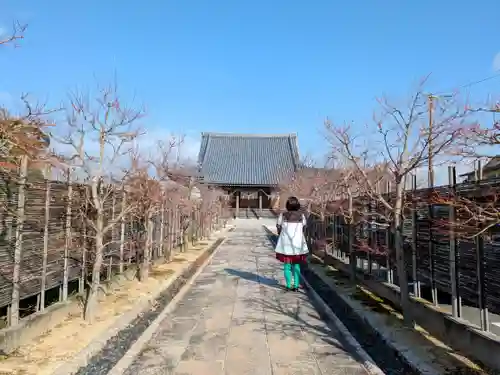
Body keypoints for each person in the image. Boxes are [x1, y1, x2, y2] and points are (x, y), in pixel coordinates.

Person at [275, 196, 309, 291]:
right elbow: (304, 227)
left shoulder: (283, 215)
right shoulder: (301, 216)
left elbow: (278, 226)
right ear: (297, 205)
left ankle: (289, 285)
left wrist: (280, 233)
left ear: (287, 205)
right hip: (298, 244)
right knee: (297, 265)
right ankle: (296, 285)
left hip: (286, 244)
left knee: (287, 265)